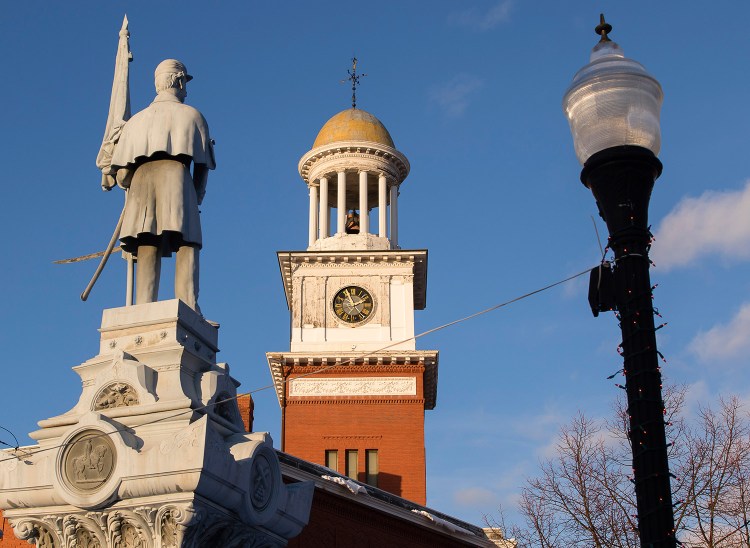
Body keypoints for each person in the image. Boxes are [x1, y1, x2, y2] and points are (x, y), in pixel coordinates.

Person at [107, 59, 215, 311]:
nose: (185, 89)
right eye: (185, 83)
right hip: (177, 179)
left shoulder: (135, 122)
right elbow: (202, 167)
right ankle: (188, 302)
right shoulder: (193, 116)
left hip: (140, 185)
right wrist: (196, 198)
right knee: (188, 242)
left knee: (146, 241)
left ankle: (144, 304)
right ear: (178, 81)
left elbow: (122, 176)